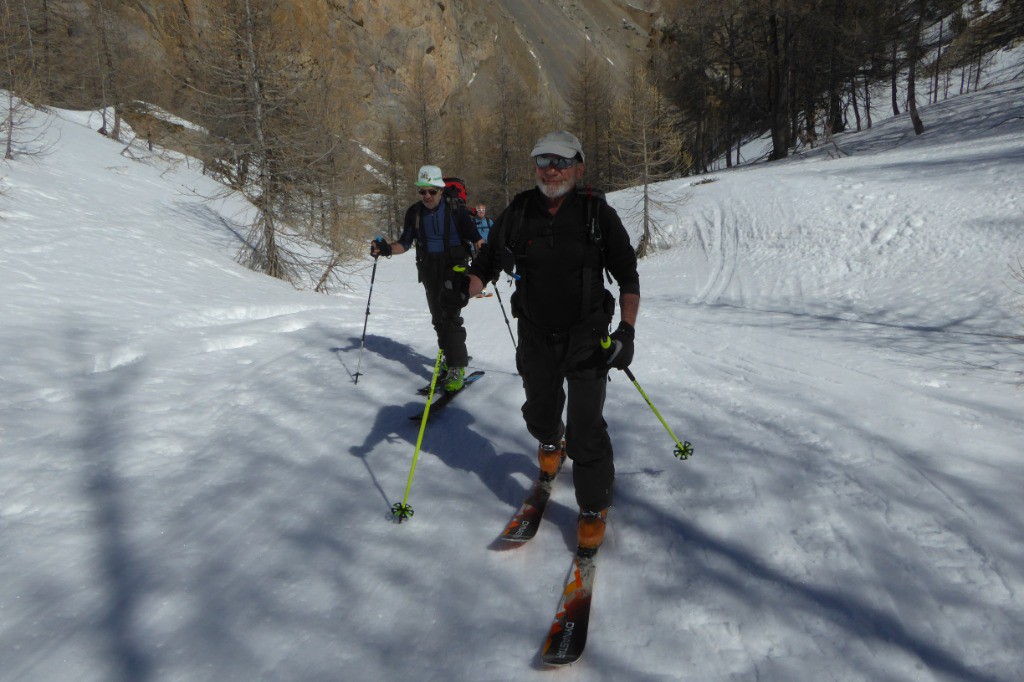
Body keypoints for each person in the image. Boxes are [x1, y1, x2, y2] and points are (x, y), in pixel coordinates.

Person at [462, 131, 640, 555]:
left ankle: (593, 506)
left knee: (586, 429)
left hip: (587, 338)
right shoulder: (520, 211)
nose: (552, 169)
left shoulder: (597, 214)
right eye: (543, 160)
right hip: (535, 335)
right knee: (539, 415)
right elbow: (486, 263)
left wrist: (626, 332)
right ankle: (549, 441)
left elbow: (628, 276)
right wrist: (462, 289)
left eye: (562, 161)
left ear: (580, 168)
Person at [370, 165, 483, 392]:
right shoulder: (414, 213)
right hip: (429, 269)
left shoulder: (456, 210)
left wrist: (487, 256)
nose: (427, 196)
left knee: (450, 317)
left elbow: (476, 239)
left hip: (454, 269)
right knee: (438, 319)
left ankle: (457, 367)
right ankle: (449, 358)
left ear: (441, 190)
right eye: (422, 191)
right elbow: (405, 243)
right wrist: (386, 249)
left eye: (431, 191)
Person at [472, 204, 494, 297]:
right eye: (479, 210)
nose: (481, 212)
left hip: (486, 249)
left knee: (485, 269)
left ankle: (483, 290)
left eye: (483, 210)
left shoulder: (489, 222)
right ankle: (476, 290)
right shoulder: (472, 221)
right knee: (476, 270)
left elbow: (495, 233)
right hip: (475, 249)